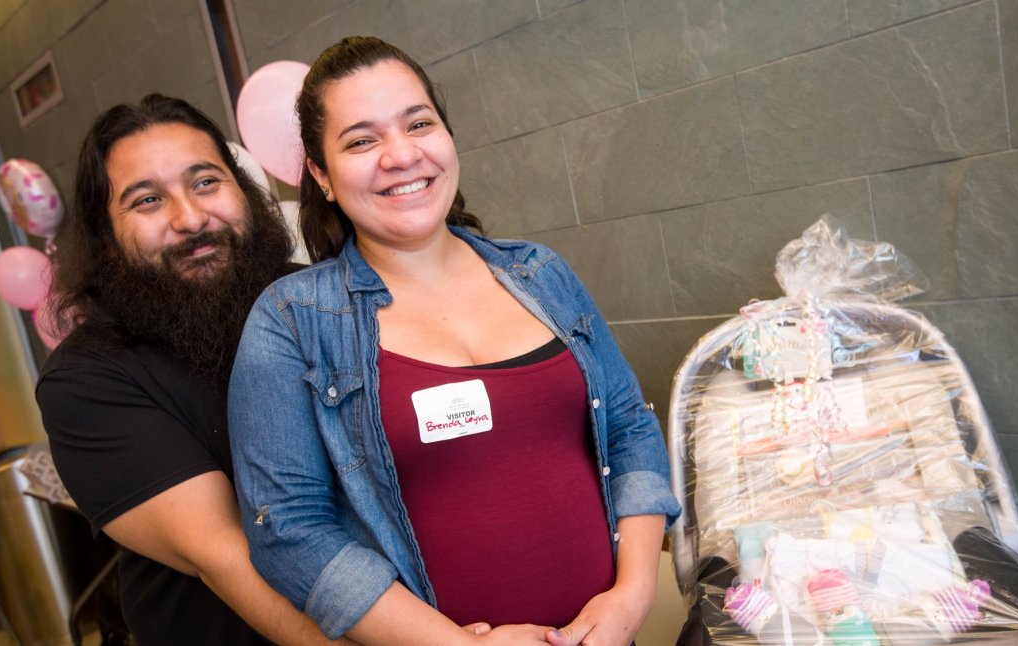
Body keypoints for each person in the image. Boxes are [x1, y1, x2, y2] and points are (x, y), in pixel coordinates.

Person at [228, 36, 682, 645]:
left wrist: (632, 596)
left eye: (419, 123)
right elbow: (288, 531)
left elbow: (628, 426)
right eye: (362, 140)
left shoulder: (538, 274)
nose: (400, 154)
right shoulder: (292, 320)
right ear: (321, 174)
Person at [35, 94, 343, 645]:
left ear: (245, 191)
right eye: (148, 200)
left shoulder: (318, 299)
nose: (192, 218)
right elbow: (225, 556)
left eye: (206, 182)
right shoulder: (87, 380)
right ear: (105, 237)